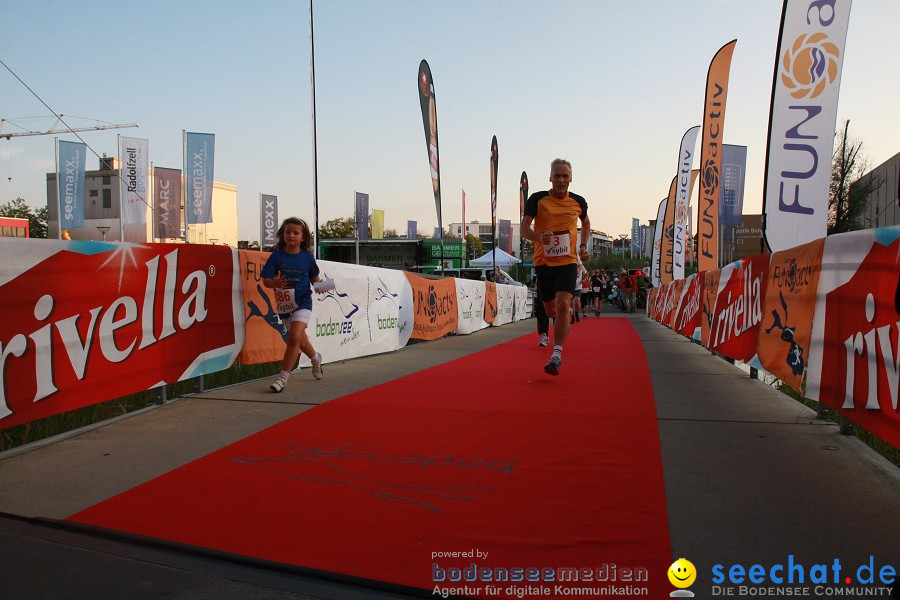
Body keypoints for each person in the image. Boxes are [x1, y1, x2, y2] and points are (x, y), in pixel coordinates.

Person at [521, 158, 590, 376]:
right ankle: (565, 314)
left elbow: (586, 223)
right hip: (543, 263)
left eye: (565, 176)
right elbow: (524, 229)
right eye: (557, 176)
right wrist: (539, 237)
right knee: (552, 310)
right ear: (550, 178)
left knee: (562, 305)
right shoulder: (538, 199)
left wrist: (583, 246)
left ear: (571, 179)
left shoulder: (578, 202)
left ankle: (557, 354)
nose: (561, 180)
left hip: (568, 262)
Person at [261, 217, 327, 392]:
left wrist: (321, 286)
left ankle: (282, 378)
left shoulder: (307, 258)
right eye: (287, 232)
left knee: (295, 336)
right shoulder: (276, 256)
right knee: (300, 341)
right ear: (282, 235)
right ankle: (315, 359)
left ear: (303, 237)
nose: (291, 235)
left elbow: (315, 279)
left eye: (295, 233)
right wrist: (273, 284)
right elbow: (266, 281)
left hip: (303, 303)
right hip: (285, 305)